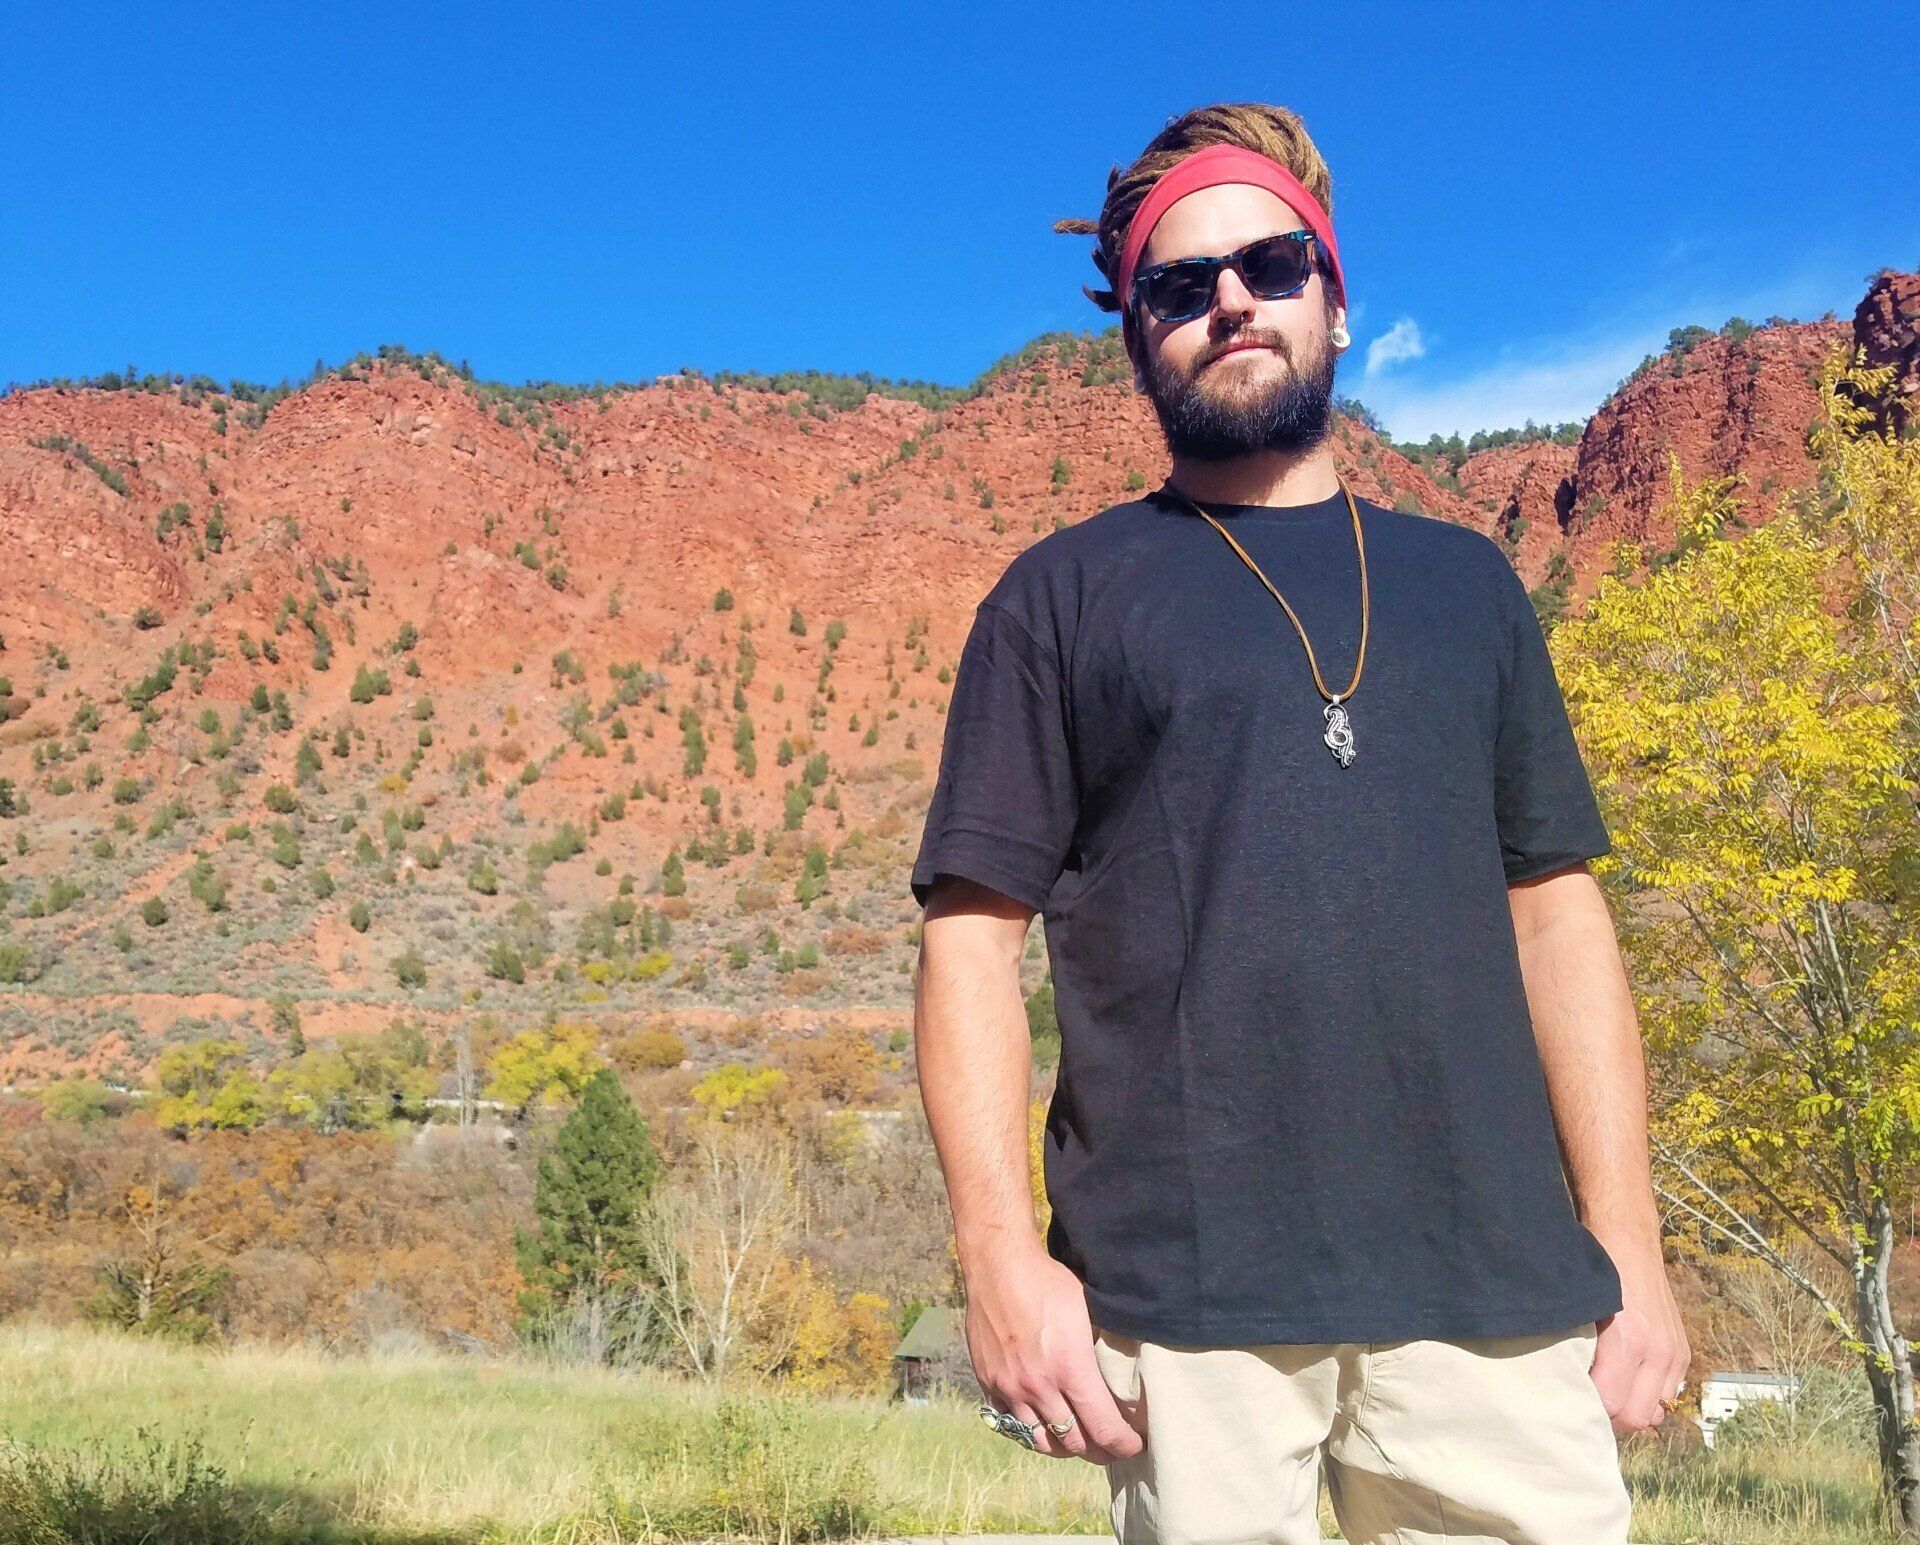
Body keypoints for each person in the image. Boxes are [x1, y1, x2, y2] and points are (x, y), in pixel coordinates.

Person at [908, 102, 1690, 1545]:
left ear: (1336, 291)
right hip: (1186, 1303)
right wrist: (997, 1254)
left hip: (1496, 1288)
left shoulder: (1469, 587)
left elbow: (1556, 918)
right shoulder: (1059, 597)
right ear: (1136, 331)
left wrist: (1629, 1243)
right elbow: (970, 944)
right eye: (1177, 282)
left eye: (1269, 263)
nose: (1229, 302)